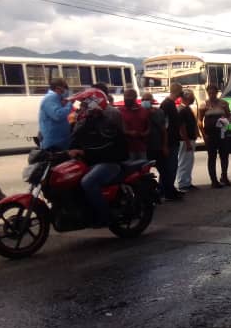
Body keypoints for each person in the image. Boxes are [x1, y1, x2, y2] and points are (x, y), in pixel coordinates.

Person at [67, 88, 128, 228]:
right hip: (92, 161)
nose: (81, 108)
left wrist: (84, 152)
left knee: (87, 182)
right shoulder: (87, 121)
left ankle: (104, 216)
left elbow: (105, 148)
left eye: (84, 104)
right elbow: (75, 141)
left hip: (109, 162)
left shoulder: (107, 123)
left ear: (94, 104)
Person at [142, 92, 178, 202]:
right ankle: (147, 196)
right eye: (144, 99)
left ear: (152, 101)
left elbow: (164, 131)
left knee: (165, 171)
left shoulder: (159, 112)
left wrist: (165, 146)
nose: (146, 101)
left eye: (148, 99)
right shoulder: (139, 112)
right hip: (145, 148)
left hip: (158, 147)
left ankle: (168, 193)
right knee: (144, 174)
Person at [198, 85, 231, 188]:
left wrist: (226, 121)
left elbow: (228, 115)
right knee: (212, 157)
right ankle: (214, 180)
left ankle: (224, 176)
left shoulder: (223, 103)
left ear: (217, 92)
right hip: (210, 134)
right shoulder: (204, 104)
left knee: (224, 155)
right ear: (207, 93)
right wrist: (204, 135)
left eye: (213, 92)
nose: (212, 94)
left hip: (222, 132)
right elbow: (199, 121)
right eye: (210, 93)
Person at [159, 83, 183, 201]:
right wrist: (165, 144)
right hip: (170, 141)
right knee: (170, 167)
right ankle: (167, 191)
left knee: (169, 167)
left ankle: (167, 189)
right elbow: (165, 126)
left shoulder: (169, 104)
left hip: (172, 139)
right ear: (178, 91)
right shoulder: (167, 105)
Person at [176, 89, 199, 193]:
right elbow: (182, 128)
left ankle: (187, 182)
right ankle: (183, 184)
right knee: (184, 162)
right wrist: (187, 142)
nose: (193, 98)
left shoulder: (187, 109)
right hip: (185, 140)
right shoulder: (182, 110)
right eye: (192, 96)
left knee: (188, 162)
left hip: (189, 139)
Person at [38, 78, 71, 151]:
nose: (66, 91)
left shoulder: (57, 98)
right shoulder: (51, 98)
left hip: (59, 140)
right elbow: (58, 115)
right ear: (58, 88)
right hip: (54, 142)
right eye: (65, 88)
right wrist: (69, 104)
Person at [120, 88, 150, 161]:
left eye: (129, 97)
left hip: (142, 148)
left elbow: (149, 127)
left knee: (143, 169)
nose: (127, 99)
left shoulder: (143, 111)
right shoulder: (120, 111)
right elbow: (118, 129)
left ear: (135, 98)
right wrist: (128, 133)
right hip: (127, 149)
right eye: (125, 97)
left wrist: (143, 134)